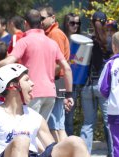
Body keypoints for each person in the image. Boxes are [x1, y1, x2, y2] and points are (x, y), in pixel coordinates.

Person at [0, 9, 73, 123]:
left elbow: (8, 61)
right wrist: (69, 95)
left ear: (25, 23)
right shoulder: (52, 43)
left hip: (32, 93)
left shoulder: (24, 41)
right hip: (50, 94)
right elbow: (67, 68)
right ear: (40, 23)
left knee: (27, 133)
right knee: (41, 133)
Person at [80, 11, 113, 157]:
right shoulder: (110, 42)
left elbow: (79, 62)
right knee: (109, 121)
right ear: (106, 23)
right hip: (104, 86)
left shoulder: (85, 41)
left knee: (88, 123)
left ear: (92, 23)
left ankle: (84, 155)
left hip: (87, 85)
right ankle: (114, 153)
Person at [39, 6, 70, 142]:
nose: (40, 21)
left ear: (53, 18)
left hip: (55, 81)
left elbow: (58, 63)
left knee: (55, 126)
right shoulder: (49, 33)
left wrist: (44, 76)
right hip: (55, 81)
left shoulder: (54, 34)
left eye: (42, 18)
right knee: (56, 125)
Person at [62, 12, 81, 136]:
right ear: (66, 24)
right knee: (59, 117)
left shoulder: (82, 40)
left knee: (69, 117)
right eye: (72, 23)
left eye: (78, 23)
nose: (75, 26)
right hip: (61, 81)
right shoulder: (62, 38)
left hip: (75, 81)